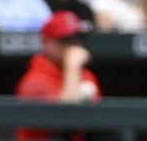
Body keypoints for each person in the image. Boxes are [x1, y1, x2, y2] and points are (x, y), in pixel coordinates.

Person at [14, 11, 101, 141]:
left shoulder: (85, 75)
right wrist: (72, 66)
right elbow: (66, 117)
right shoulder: (35, 81)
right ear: (46, 42)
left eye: (78, 38)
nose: (75, 45)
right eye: (66, 40)